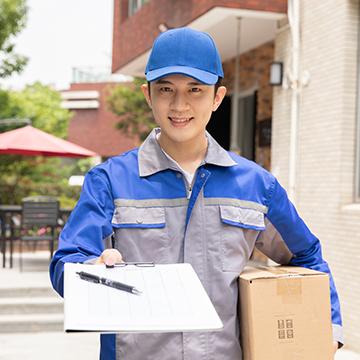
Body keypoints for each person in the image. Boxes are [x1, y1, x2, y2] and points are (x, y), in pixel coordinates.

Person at [50, 27, 343, 359]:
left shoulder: (256, 185)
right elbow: (66, 264)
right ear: (148, 95)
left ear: (217, 97)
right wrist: (92, 269)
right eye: (166, 89)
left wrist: (327, 329)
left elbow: (307, 257)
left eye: (195, 89)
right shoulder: (109, 181)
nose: (179, 104)